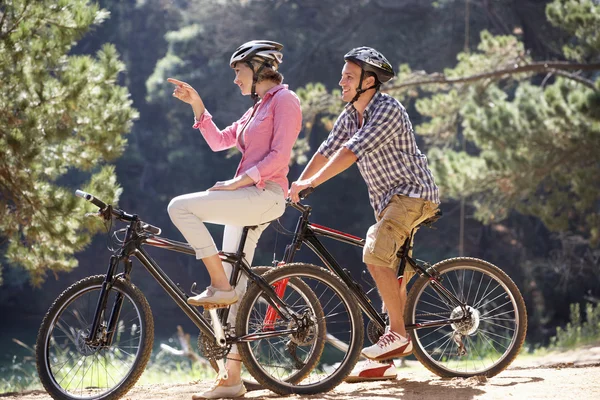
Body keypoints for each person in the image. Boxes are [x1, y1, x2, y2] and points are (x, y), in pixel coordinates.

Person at [289, 46, 440, 378]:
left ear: (369, 82)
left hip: (412, 196)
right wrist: (295, 184)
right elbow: (326, 150)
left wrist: (312, 183)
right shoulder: (349, 114)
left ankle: (398, 336)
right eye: (342, 75)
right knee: (393, 271)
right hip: (389, 204)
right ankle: (384, 361)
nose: (340, 81)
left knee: (374, 254)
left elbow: (349, 153)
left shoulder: (387, 110)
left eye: (348, 77)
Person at [167, 40, 302, 399]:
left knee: (180, 207)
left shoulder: (286, 102)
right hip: (245, 197)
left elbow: (280, 156)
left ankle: (220, 284)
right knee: (235, 294)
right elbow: (219, 141)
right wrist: (197, 105)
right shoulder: (257, 109)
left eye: (238, 71)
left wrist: (239, 180)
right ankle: (232, 380)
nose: (235, 79)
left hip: (264, 195)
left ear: (259, 69)